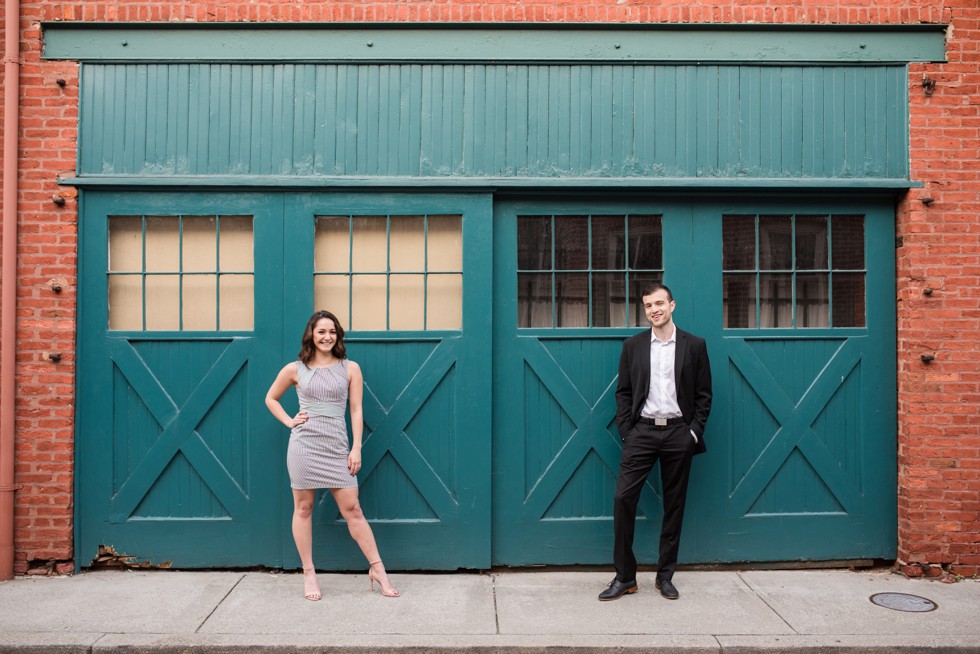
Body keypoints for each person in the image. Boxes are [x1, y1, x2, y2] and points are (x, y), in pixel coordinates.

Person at [265, 310, 399, 600]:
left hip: (337, 446)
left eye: (332, 332)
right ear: (311, 335)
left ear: (338, 336)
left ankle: (377, 569)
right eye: (321, 331)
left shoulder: (350, 368)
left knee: (353, 509)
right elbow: (270, 398)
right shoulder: (294, 369)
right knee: (303, 509)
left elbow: (355, 409)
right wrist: (290, 421)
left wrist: (356, 446)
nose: (327, 337)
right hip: (304, 445)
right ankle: (309, 573)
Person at [599, 283, 712, 601]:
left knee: (674, 505)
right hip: (642, 432)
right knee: (623, 499)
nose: (654, 310)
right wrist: (627, 431)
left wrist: (693, 433)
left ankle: (665, 577)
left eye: (659, 303)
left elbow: (704, 395)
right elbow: (623, 392)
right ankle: (625, 577)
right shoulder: (633, 345)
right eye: (648, 305)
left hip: (679, 433)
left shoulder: (695, 345)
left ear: (672, 305)